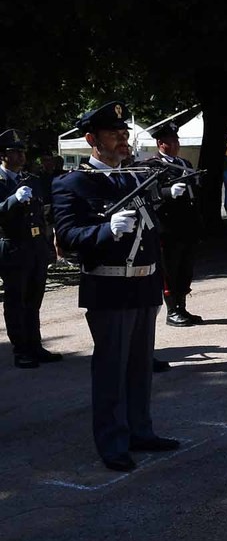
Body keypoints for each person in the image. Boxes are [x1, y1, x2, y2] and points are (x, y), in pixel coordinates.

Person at [52, 101, 180, 471]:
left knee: (140, 367)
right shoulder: (73, 182)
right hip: (109, 287)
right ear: (92, 139)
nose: (123, 139)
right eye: (114, 133)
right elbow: (68, 235)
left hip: (144, 286)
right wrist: (105, 231)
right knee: (111, 369)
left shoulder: (133, 177)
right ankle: (112, 441)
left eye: (125, 133)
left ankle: (141, 430)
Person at [0, 129, 59, 368]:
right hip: (12, 246)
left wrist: (48, 245)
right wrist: (12, 200)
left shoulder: (32, 180)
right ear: (3, 155)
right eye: (15, 152)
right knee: (16, 300)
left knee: (34, 298)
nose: (21, 156)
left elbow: (42, 216)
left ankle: (35, 344)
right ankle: (21, 348)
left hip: (35, 247)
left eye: (22, 151)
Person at [147, 122, 203, 327]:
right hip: (168, 226)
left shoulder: (184, 164)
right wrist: (167, 193)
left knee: (185, 269)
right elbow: (149, 193)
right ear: (161, 143)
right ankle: (172, 310)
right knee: (170, 269)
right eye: (172, 141)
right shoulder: (152, 165)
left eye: (177, 140)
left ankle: (182, 307)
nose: (176, 144)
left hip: (186, 225)